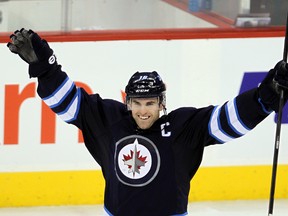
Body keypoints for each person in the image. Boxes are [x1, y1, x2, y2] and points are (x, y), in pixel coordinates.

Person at [7, 28, 288, 216]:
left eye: (150, 103)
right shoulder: (109, 120)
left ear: (161, 104)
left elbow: (228, 119)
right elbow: (66, 101)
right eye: (138, 103)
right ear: (127, 102)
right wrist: (45, 67)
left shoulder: (182, 127)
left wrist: (267, 94)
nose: (143, 111)